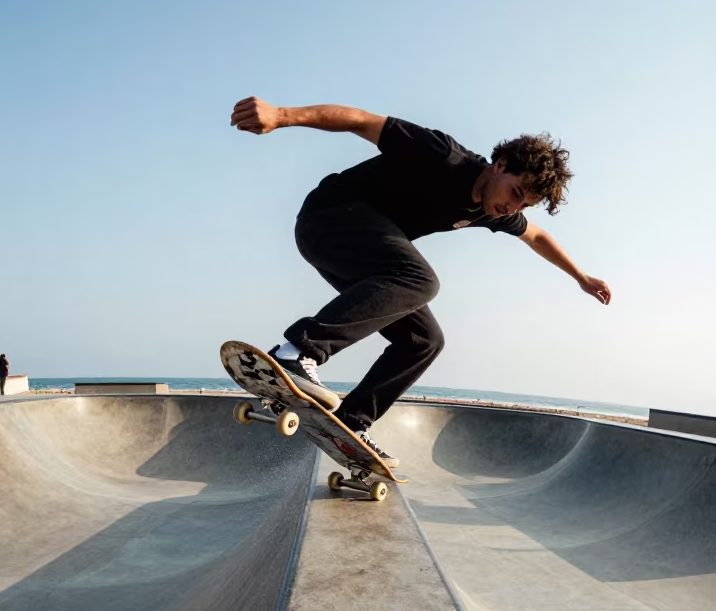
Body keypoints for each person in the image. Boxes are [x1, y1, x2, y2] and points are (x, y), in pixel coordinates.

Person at [230, 97, 611, 467]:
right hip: (328, 216)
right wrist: (281, 114)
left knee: (424, 341)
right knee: (420, 280)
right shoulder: (443, 155)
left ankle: (353, 422)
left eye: (524, 204)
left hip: (352, 254)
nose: (513, 208)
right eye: (515, 193)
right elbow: (360, 120)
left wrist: (580, 277)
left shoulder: (494, 211)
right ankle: (298, 351)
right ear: (500, 165)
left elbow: (537, 237)